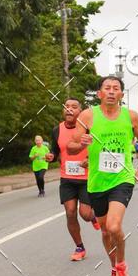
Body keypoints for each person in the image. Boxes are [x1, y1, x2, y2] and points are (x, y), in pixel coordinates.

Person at [67, 75, 138, 276]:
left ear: (121, 94)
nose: (112, 91)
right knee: (104, 231)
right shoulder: (87, 115)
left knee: (114, 226)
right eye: (107, 88)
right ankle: (113, 266)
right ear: (100, 93)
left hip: (122, 178)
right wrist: (81, 142)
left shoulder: (131, 117)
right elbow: (71, 147)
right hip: (96, 181)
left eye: (116, 88)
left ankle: (122, 266)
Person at [47, 99, 99, 261]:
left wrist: (90, 160)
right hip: (67, 178)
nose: (69, 109)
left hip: (86, 177)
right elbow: (56, 152)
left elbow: (99, 148)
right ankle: (79, 247)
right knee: (70, 213)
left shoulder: (90, 129)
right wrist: (51, 156)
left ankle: (93, 217)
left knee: (84, 213)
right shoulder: (57, 130)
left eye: (74, 107)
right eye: (66, 107)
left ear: (81, 112)